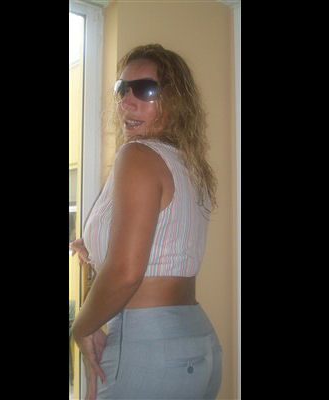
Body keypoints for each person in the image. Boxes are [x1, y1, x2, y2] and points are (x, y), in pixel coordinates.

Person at [70, 43, 222, 400]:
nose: (127, 101)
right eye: (122, 89)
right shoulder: (187, 165)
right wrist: (93, 247)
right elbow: (160, 250)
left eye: (145, 89)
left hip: (150, 348)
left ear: (175, 101)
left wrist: (82, 327)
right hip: (198, 343)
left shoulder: (138, 155)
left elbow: (126, 273)